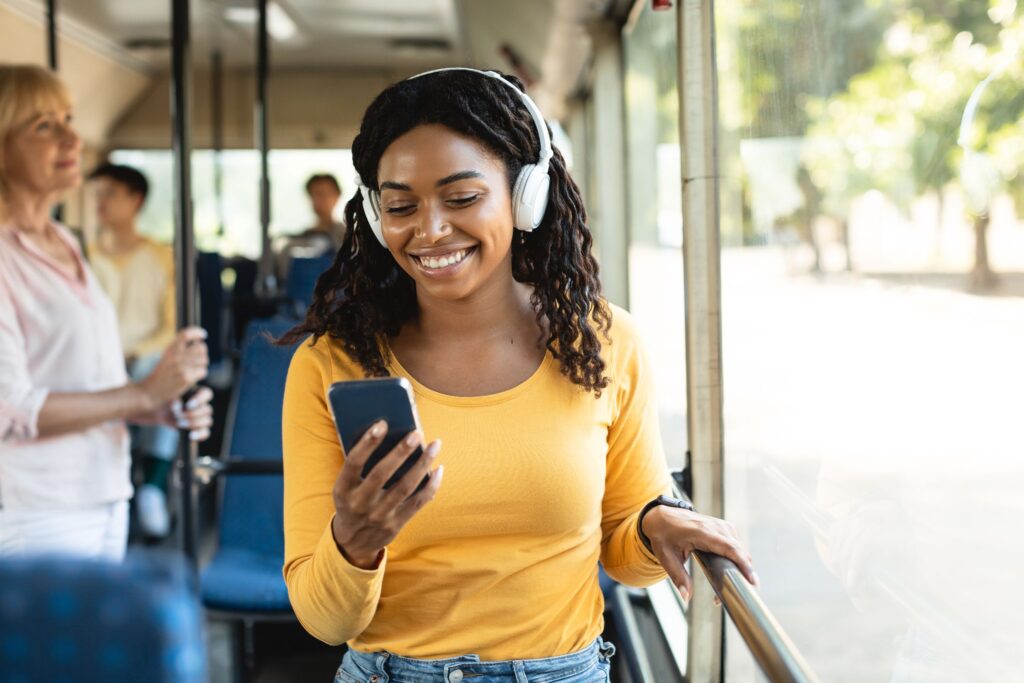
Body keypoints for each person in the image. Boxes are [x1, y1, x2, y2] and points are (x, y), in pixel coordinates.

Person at [279, 68, 757, 682]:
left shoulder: (603, 342)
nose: (429, 230)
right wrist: (355, 540)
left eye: (461, 198)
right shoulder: (330, 364)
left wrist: (652, 524)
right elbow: (325, 622)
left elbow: (622, 550)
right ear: (375, 215)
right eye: (401, 205)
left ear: (525, 196)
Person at [0, 64, 212, 560]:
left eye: (69, 119)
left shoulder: (65, 242)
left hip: (104, 491)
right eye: (45, 126)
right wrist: (140, 391)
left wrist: (154, 407)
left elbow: (79, 378)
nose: (73, 138)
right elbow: (10, 409)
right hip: (37, 508)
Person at [88, 162, 178, 538]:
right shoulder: (83, 258)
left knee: (166, 377)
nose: (100, 202)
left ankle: (152, 488)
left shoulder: (162, 257)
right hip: (96, 360)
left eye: (109, 193)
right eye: (97, 194)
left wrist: (136, 353)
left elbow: (174, 325)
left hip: (146, 356)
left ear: (135, 200)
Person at [273, 173, 345, 285]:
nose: (320, 200)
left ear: (337, 196)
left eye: (324, 194)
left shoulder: (347, 236)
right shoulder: (298, 240)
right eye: (314, 194)